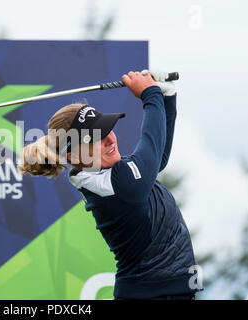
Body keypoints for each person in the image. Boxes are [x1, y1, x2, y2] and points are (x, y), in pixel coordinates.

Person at [19, 70, 201, 300]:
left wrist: (167, 98)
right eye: (96, 139)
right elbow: (152, 148)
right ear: (73, 155)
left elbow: (158, 158)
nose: (110, 139)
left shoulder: (109, 174)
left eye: (107, 129)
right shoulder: (116, 185)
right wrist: (151, 95)